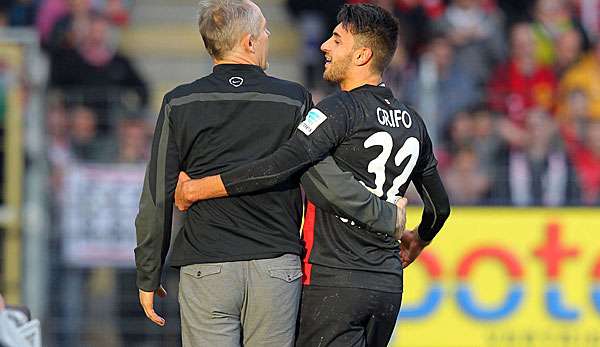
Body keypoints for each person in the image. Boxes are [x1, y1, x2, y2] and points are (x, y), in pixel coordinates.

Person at [175, 4, 451, 346]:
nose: (324, 46)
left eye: (337, 40)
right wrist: (418, 239)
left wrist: (198, 189)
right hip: (387, 285)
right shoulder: (414, 122)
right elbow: (440, 208)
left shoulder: (336, 110)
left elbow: (279, 165)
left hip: (332, 281)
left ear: (362, 55)